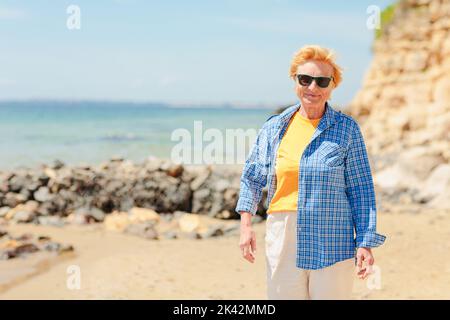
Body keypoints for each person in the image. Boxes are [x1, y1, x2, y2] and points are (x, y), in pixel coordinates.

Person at [236, 44, 386, 300]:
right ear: (295, 81)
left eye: (322, 81)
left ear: (332, 85)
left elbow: (361, 190)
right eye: (305, 79)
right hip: (283, 236)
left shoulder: (347, 129)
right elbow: (252, 177)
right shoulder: (275, 128)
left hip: (333, 237)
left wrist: (365, 241)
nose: (312, 88)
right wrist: (246, 225)